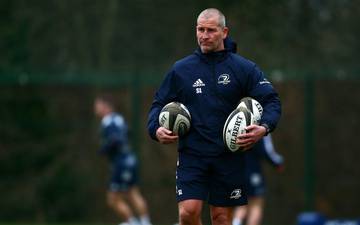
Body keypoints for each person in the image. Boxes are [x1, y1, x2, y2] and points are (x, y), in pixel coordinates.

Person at [147, 8, 281, 225]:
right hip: (192, 155)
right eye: (200, 29)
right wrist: (156, 129)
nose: (204, 35)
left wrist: (264, 127)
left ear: (224, 32)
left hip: (228, 156)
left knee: (220, 218)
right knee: (187, 213)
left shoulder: (242, 68)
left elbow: (272, 101)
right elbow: (158, 104)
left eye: (210, 30)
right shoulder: (181, 70)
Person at [94, 96, 152, 225]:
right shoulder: (119, 119)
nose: (95, 109)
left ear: (105, 106)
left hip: (121, 163)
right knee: (132, 192)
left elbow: (116, 139)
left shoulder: (108, 122)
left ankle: (132, 222)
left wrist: (104, 149)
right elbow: (128, 133)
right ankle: (144, 222)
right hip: (130, 159)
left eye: (97, 105)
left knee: (113, 198)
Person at [232, 135, 284, 225]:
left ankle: (236, 222)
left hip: (236, 171)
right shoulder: (260, 125)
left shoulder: (233, 123)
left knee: (241, 205)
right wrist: (278, 163)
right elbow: (267, 151)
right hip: (253, 172)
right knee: (256, 204)